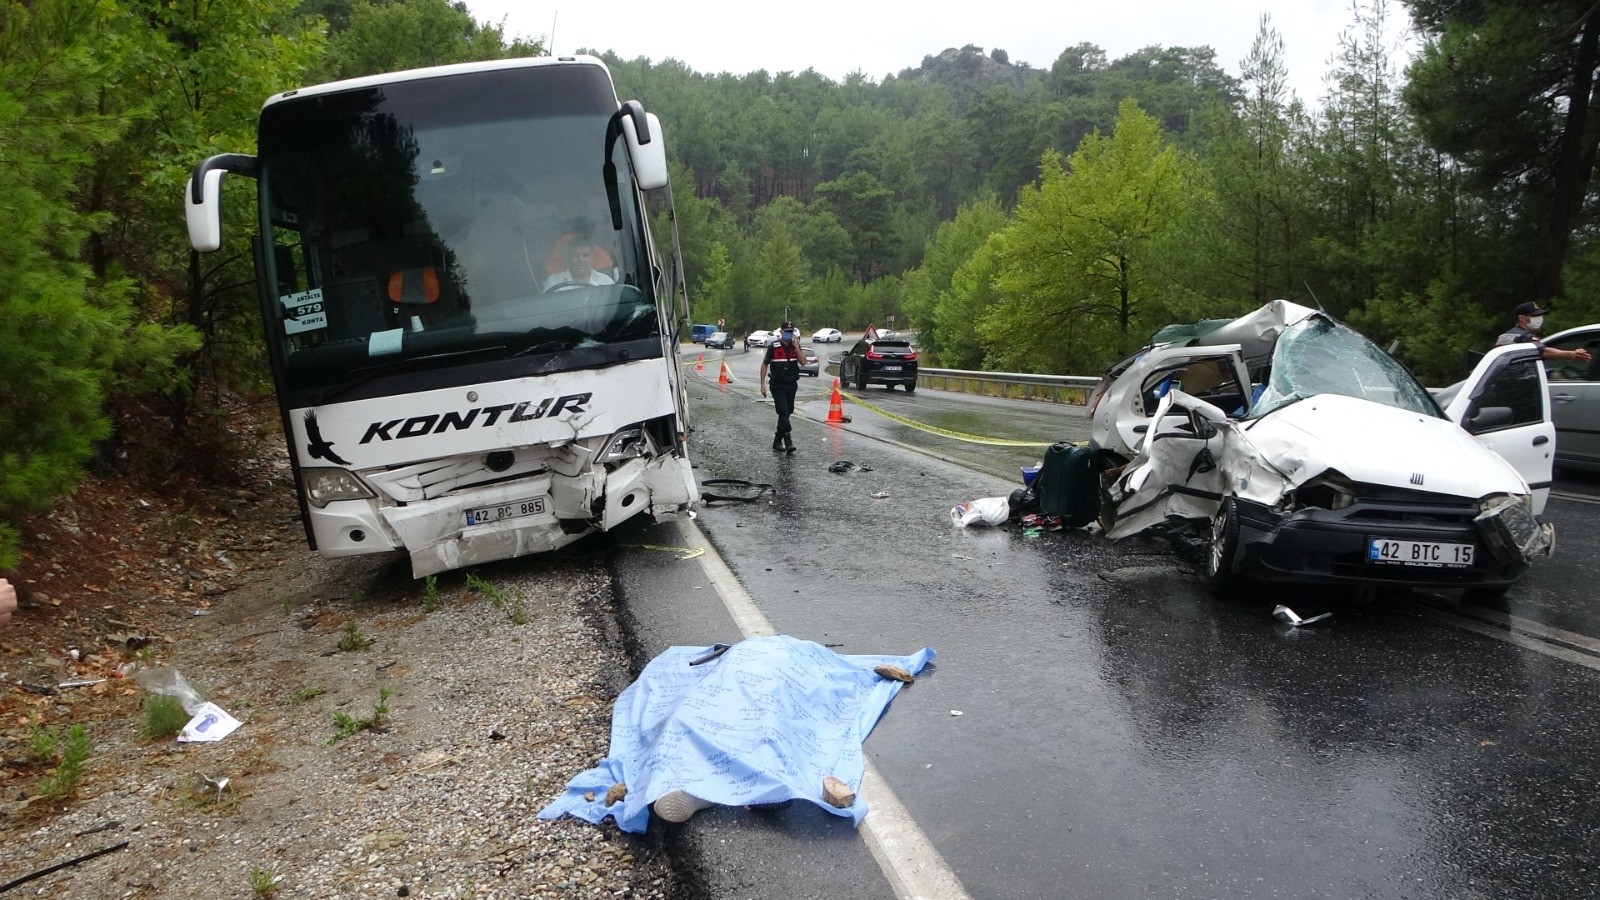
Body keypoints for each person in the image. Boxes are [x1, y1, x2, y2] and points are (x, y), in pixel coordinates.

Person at [758, 322, 804, 453]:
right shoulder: (774, 346)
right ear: (781, 332)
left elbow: (803, 362)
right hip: (778, 385)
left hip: (791, 384)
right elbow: (764, 365)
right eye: (787, 332)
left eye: (791, 331)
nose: (789, 334)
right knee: (783, 411)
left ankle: (777, 440)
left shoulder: (796, 346)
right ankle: (788, 440)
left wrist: (797, 348)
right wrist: (762, 384)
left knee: (788, 411)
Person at [1496, 301, 1591, 363]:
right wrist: (1572, 354)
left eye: (1540, 316)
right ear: (1521, 318)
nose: (1539, 319)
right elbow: (1545, 352)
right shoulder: (1526, 337)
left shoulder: (1503, 336)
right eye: (1534, 316)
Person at [543, 235, 615, 292]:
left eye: (585, 255)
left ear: (592, 259)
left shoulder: (606, 282)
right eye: (576, 255)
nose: (581, 260)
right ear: (569, 258)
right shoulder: (554, 282)